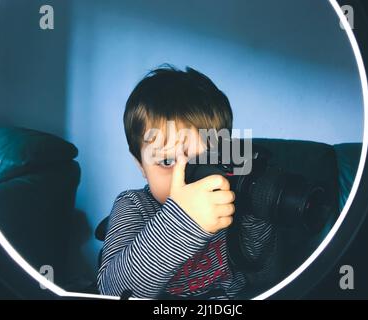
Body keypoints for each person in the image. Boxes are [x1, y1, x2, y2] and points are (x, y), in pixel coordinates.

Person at [97, 64, 278, 299]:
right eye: (167, 161)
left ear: (224, 155)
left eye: (201, 161)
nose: (184, 177)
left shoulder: (226, 200)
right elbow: (113, 292)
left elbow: (261, 273)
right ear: (140, 165)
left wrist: (255, 206)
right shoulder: (133, 206)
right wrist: (181, 221)